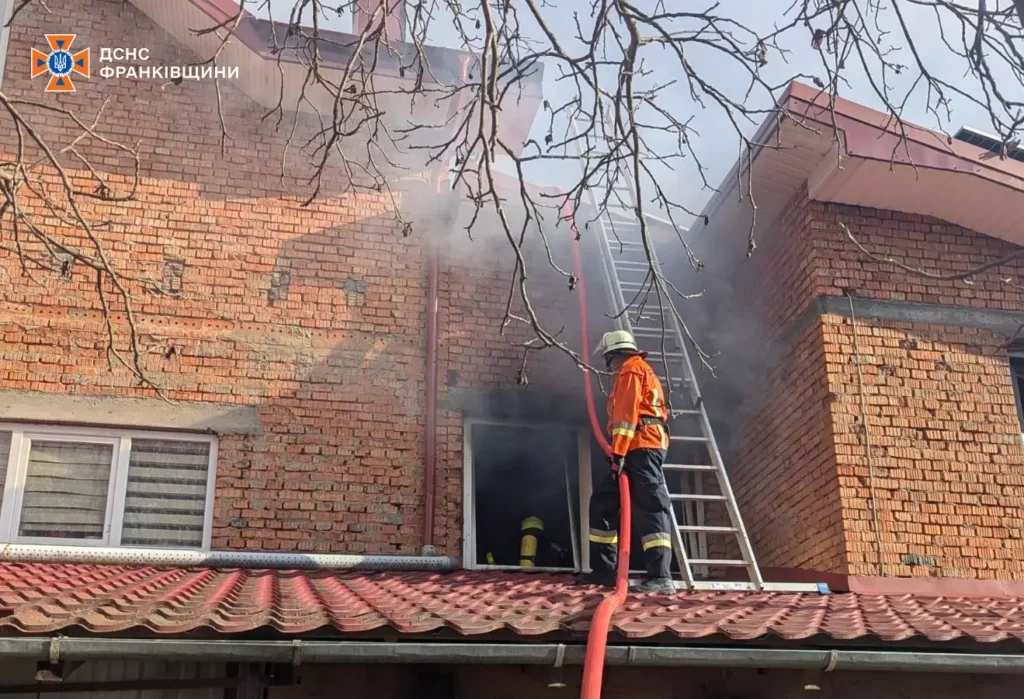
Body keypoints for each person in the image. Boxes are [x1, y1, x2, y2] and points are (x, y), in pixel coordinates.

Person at [578, 330, 675, 594]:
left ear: (613, 355)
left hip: (642, 446)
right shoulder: (635, 371)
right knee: (602, 502)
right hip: (632, 447)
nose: (609, 364)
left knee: (650, 505)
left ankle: (661, 577)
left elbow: (626, 415)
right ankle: (604, 571)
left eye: (608, 358)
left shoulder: (631, 370)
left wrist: (618, 454)